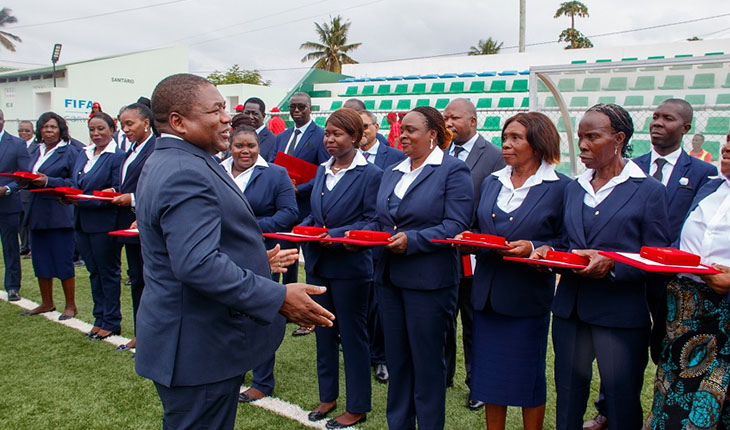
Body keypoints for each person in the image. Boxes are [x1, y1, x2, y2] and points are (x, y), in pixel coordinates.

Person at [134, 73, 334, 430]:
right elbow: (197, 264)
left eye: (225, 108)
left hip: (195, 342)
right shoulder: (185, 170)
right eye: (215, 110)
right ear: (178, 122)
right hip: (197, 348)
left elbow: (192, 246)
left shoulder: (180, 158)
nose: (228, 117)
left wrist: (256, 261)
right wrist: (277, 296)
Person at [587, 98, 718, 430]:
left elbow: (694, 226)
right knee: (616, 350)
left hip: (670, 277)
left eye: (668, 118)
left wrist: (664, 258)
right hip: (624, 275)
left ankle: (658, 409)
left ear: (686, 128)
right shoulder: (630, 165)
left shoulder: (704, 173)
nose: (658, 122)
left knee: (665, 349)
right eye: (656, 116)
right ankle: (608, 409)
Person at [544, 104, 670, 430]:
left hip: (620, 315)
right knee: (569, 396)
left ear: (618, 139)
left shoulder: (649, 191)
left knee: (621, 399)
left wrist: (614, 264)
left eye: (592, 137)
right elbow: (564, 241)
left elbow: (659, 257)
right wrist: (549, 252)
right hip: (570, 311)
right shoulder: (574, 187)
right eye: (580, 137)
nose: (582, 145)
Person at [456, 112, 569, 429]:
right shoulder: (493, 181)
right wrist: (467, 240)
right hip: (487, 296)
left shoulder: (561, 187)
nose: (506, 144)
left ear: (539, 142)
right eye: (505, 137)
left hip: (526, 298)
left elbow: (565, 241)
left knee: (526, 377)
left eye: (516, 138)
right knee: (490, 377)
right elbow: (480, 227)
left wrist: (534, 248)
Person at [368, 106, 473, 429]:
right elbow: (380, 219)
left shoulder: (453, 171)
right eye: (401, 129)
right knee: (398, 361)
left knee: (427, 365)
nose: (403, 134)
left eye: (411, 130)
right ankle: (398, 424)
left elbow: (456, 224)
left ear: (433, 134)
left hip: (430, 282)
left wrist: (412, 240)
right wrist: (357, 237)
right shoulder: (393, 171)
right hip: (389, 279)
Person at [299, 108, 382, 428]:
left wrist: (332, 236)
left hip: (350, 268)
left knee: (352, 336)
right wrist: (302, 229)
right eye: (327, 134)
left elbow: (373, 220)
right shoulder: (322, 170)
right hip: (319, 264)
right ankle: (328, 395)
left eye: (337, 134)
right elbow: (315, 216)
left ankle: (357, 405)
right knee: (323, 332)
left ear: (356, 138)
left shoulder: (371, 174)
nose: (330, 140)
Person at [645, 133, 730, 428]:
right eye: (728, 138)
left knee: (712, 398)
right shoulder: (711, 186)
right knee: (671, 390)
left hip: (723, 315)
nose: (727, 146)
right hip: (683, 309)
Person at [219, 126, 298, 403]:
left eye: (251, 145)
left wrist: (247, 228)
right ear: (230, 146)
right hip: (224, 253)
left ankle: (263, 380)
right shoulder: (217, 170)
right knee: (228, 311)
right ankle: (233, 370)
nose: (245, 151)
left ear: (259, 146)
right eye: (239, 145)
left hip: (263, 254)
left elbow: (289, 212)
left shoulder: (275, 173)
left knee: (262, 312)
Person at [443, 98, 505, 409]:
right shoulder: (439, 153)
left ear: (474, 121)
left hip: (473, 253)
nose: (449, 123)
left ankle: (477, 383)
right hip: (441, 251)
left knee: (472, 319)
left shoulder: (494, 156)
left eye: (455, 117)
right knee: (443, 318)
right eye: (445, 117)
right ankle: (444, 375)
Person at [270, 92, 329, 337]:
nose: (296, 111)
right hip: (282, 206)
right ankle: (280, 303)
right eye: (292, 107)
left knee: (304, 257)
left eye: (301, 107)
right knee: (282, 254)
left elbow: (324, 171)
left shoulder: (320, 135)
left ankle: (307, 311)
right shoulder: (282, 136)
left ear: (310, 108)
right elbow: (274, 165)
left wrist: (299, 188)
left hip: (305, 206)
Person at [66, 112, 125, 340]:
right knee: (94, 272)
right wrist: (67, 194)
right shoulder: (84, 154)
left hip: (103, 223)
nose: (96, 133)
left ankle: (111, 320)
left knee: (108, 272)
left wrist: (81, 198)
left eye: (101, 128)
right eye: (92, 129)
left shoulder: (117, 157)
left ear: (112, 129)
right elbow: (75, 183)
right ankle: (99, 317)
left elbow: (115, 190)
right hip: (81, 221)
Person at [359, 109, 406, 383]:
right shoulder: (345, 158)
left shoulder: (396, 157)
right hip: (357, 238)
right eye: (358, 128)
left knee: (380, 303)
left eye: (366, 126)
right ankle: (363, 351)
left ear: (376, 127)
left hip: (383, 238)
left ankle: (381, 357)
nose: (362, 132)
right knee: (362, 301)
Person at [20, 112, 81, 318]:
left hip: (59, 212)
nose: (48, 130)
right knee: (40, 260)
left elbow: (74, 184)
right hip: (37, 212)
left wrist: (48, 181)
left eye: (53, 127)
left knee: (62, 260)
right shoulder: (34, 151)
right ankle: (46, 303)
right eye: (45, 127)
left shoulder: (70, 152)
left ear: (61, 129)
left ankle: (70, 305)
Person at [107, 103, 156, 351]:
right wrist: (116, 192)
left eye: (130, 123)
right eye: (122, 124)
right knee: (137, 279)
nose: (125, 129)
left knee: (151, 282)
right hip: (129, 225)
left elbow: (158, 185)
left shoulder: (156, 148)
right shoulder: (131, 150)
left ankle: (151, 337)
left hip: (148, 225)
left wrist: (133, 198)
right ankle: (141, 334)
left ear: (146, 123)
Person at [0, 110, 30, 302]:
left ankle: (12, 286)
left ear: (3, 120)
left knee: (10, 246)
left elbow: (24, 176)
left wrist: (7, 189)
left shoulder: (17, 144)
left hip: (7, 204)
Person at [18, 120, 36, 258]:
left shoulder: (36, 147)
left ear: (33, 132)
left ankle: (31, 247)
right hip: (17, 191)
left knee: (29, 220)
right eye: (21, 130)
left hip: (30, 191)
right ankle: (24, 246)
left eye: (27, 131)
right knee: (21, 222)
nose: (23, 133)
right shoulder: (16, 146)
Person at [239, 97, 277, 162]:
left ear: (263, 116)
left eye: (255, 114)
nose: (250, 117)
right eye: (247, 113)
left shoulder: (274, 141)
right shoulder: (236, 137)